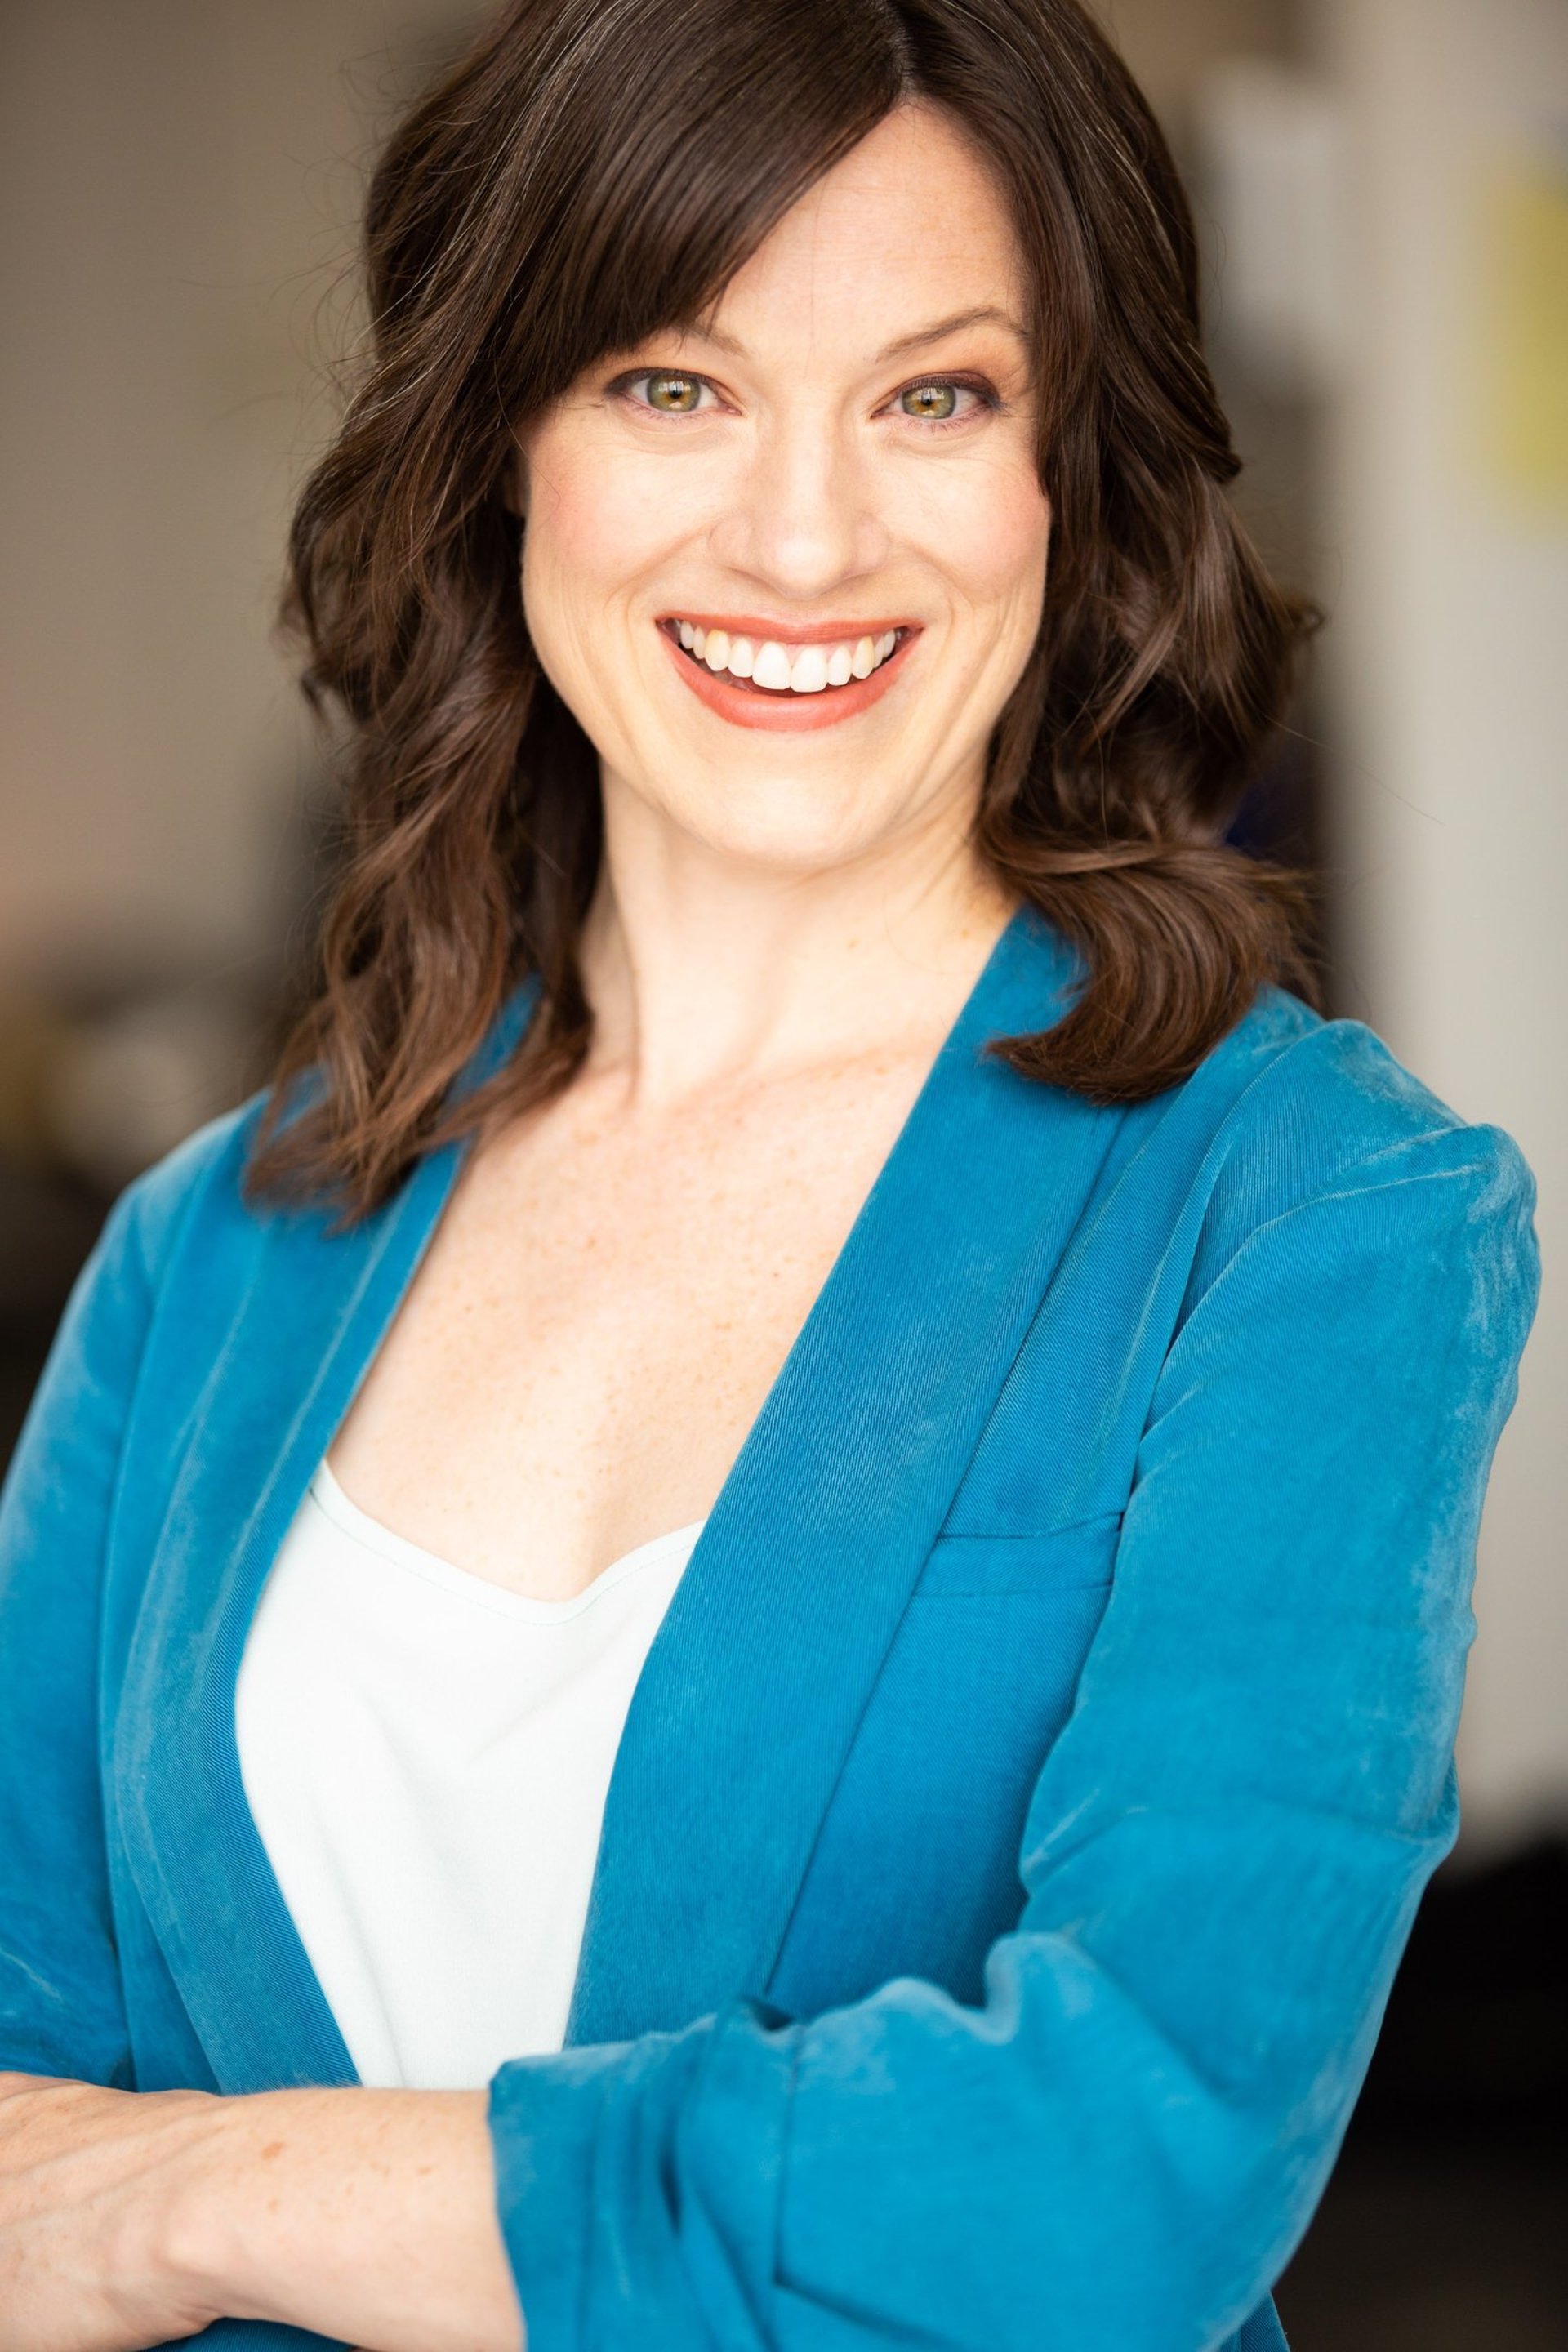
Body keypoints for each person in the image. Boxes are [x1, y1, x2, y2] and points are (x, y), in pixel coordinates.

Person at [0, 2, 1539, 2347]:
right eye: (671, 384)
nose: (806, 537)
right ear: (504, 448)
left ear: (1071, 473)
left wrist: (185, 2200)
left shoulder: (1316, 1219)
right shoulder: (204, 1256)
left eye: (937, 397)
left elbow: (1115, 2179)